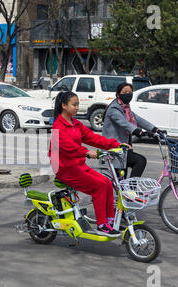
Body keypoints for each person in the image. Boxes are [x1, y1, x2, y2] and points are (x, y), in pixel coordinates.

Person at [49, 91, 131, 236]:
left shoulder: (76, 124)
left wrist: (116, 144)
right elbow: (66, 146)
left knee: (106, 182)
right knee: (98, 187)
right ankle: (101, 225)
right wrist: (85, 152)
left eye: (77, 104)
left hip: (78, 166)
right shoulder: (58, 126)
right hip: (65, 169)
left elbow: (93, 138)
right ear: (64, 106)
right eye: (74, 105)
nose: (76, 107)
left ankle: (109, 221)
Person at [102, 82, 162, 178]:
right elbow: (124, 123)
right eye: (125, 92)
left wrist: (155, 129)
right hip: (114, 149)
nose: (128, 94)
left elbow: (138, 119)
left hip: (123, 149)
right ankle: (132, 188)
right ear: (118, 94)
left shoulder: (126, 108)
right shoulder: (114, 109)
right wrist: (138, 132)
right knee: (140, 161)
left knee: (122, 180)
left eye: (130, 92)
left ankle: (128, 190)